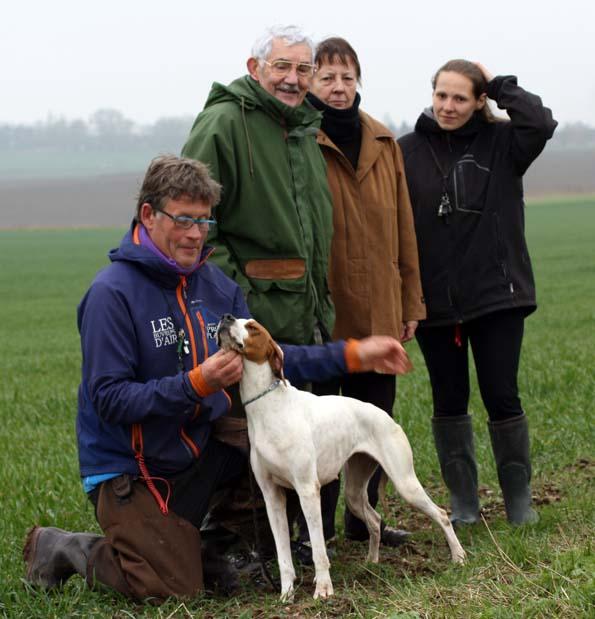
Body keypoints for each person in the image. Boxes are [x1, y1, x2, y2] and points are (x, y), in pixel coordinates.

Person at [23, 155, 412, 603]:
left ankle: (211, 539)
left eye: (204, 220)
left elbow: (268, 355)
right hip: (135, 468)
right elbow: (109, 400)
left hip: (201, 444)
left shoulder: (215, 288)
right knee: (172, 589)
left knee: (281, 442)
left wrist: (352, 353)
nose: (195, 233)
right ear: (148, 215)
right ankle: (65, 548)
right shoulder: (112, 296)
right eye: (183, 219)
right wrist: (196, 384)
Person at [398, 60, 557, 525]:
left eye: (461, 97)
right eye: (441, 96)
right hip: (436, 303)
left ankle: (519, 502)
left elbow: (540, 121)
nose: (448, 106)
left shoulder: (505, 143)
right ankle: (465, 503)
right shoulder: (405, 151)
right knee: (448, 399)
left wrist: (499, 84)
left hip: (496, 297)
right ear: (432, 95)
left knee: (501, 395)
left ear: (478, 100)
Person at [305, 37, 426, 547]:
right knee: (323, 426)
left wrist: (410, 303)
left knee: (374, 419)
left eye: (346, 77)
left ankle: (364, 521)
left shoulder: (383, 142)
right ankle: (320, 534)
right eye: (327, 77)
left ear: (359, 81)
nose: (338, 88)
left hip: (379, 306)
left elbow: (405, 229)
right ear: (310, 82)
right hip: (327, 310)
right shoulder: (300, 140)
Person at [181, 24, 334, 348]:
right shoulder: (222, 124)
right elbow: (193, 226)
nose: (292, 79)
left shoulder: (305, 129)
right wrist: (241, 299)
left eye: (303, 69)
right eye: (281, 66)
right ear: (254, 68)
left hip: (308, 324)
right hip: (251, 328)